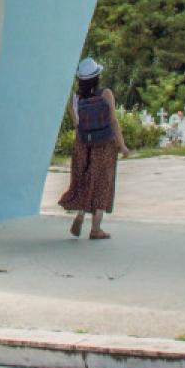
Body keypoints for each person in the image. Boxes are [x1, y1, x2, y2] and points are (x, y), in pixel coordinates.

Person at [58, 56, 129, 239]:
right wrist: (122, 146)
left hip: (83, 144)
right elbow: (113, 121)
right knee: (102, 183)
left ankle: (81, 214)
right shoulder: (106, 94)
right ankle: (96, 229)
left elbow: (76, 123)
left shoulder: (75, 98)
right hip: (104, 144)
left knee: (84, 180)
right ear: (97, 76)